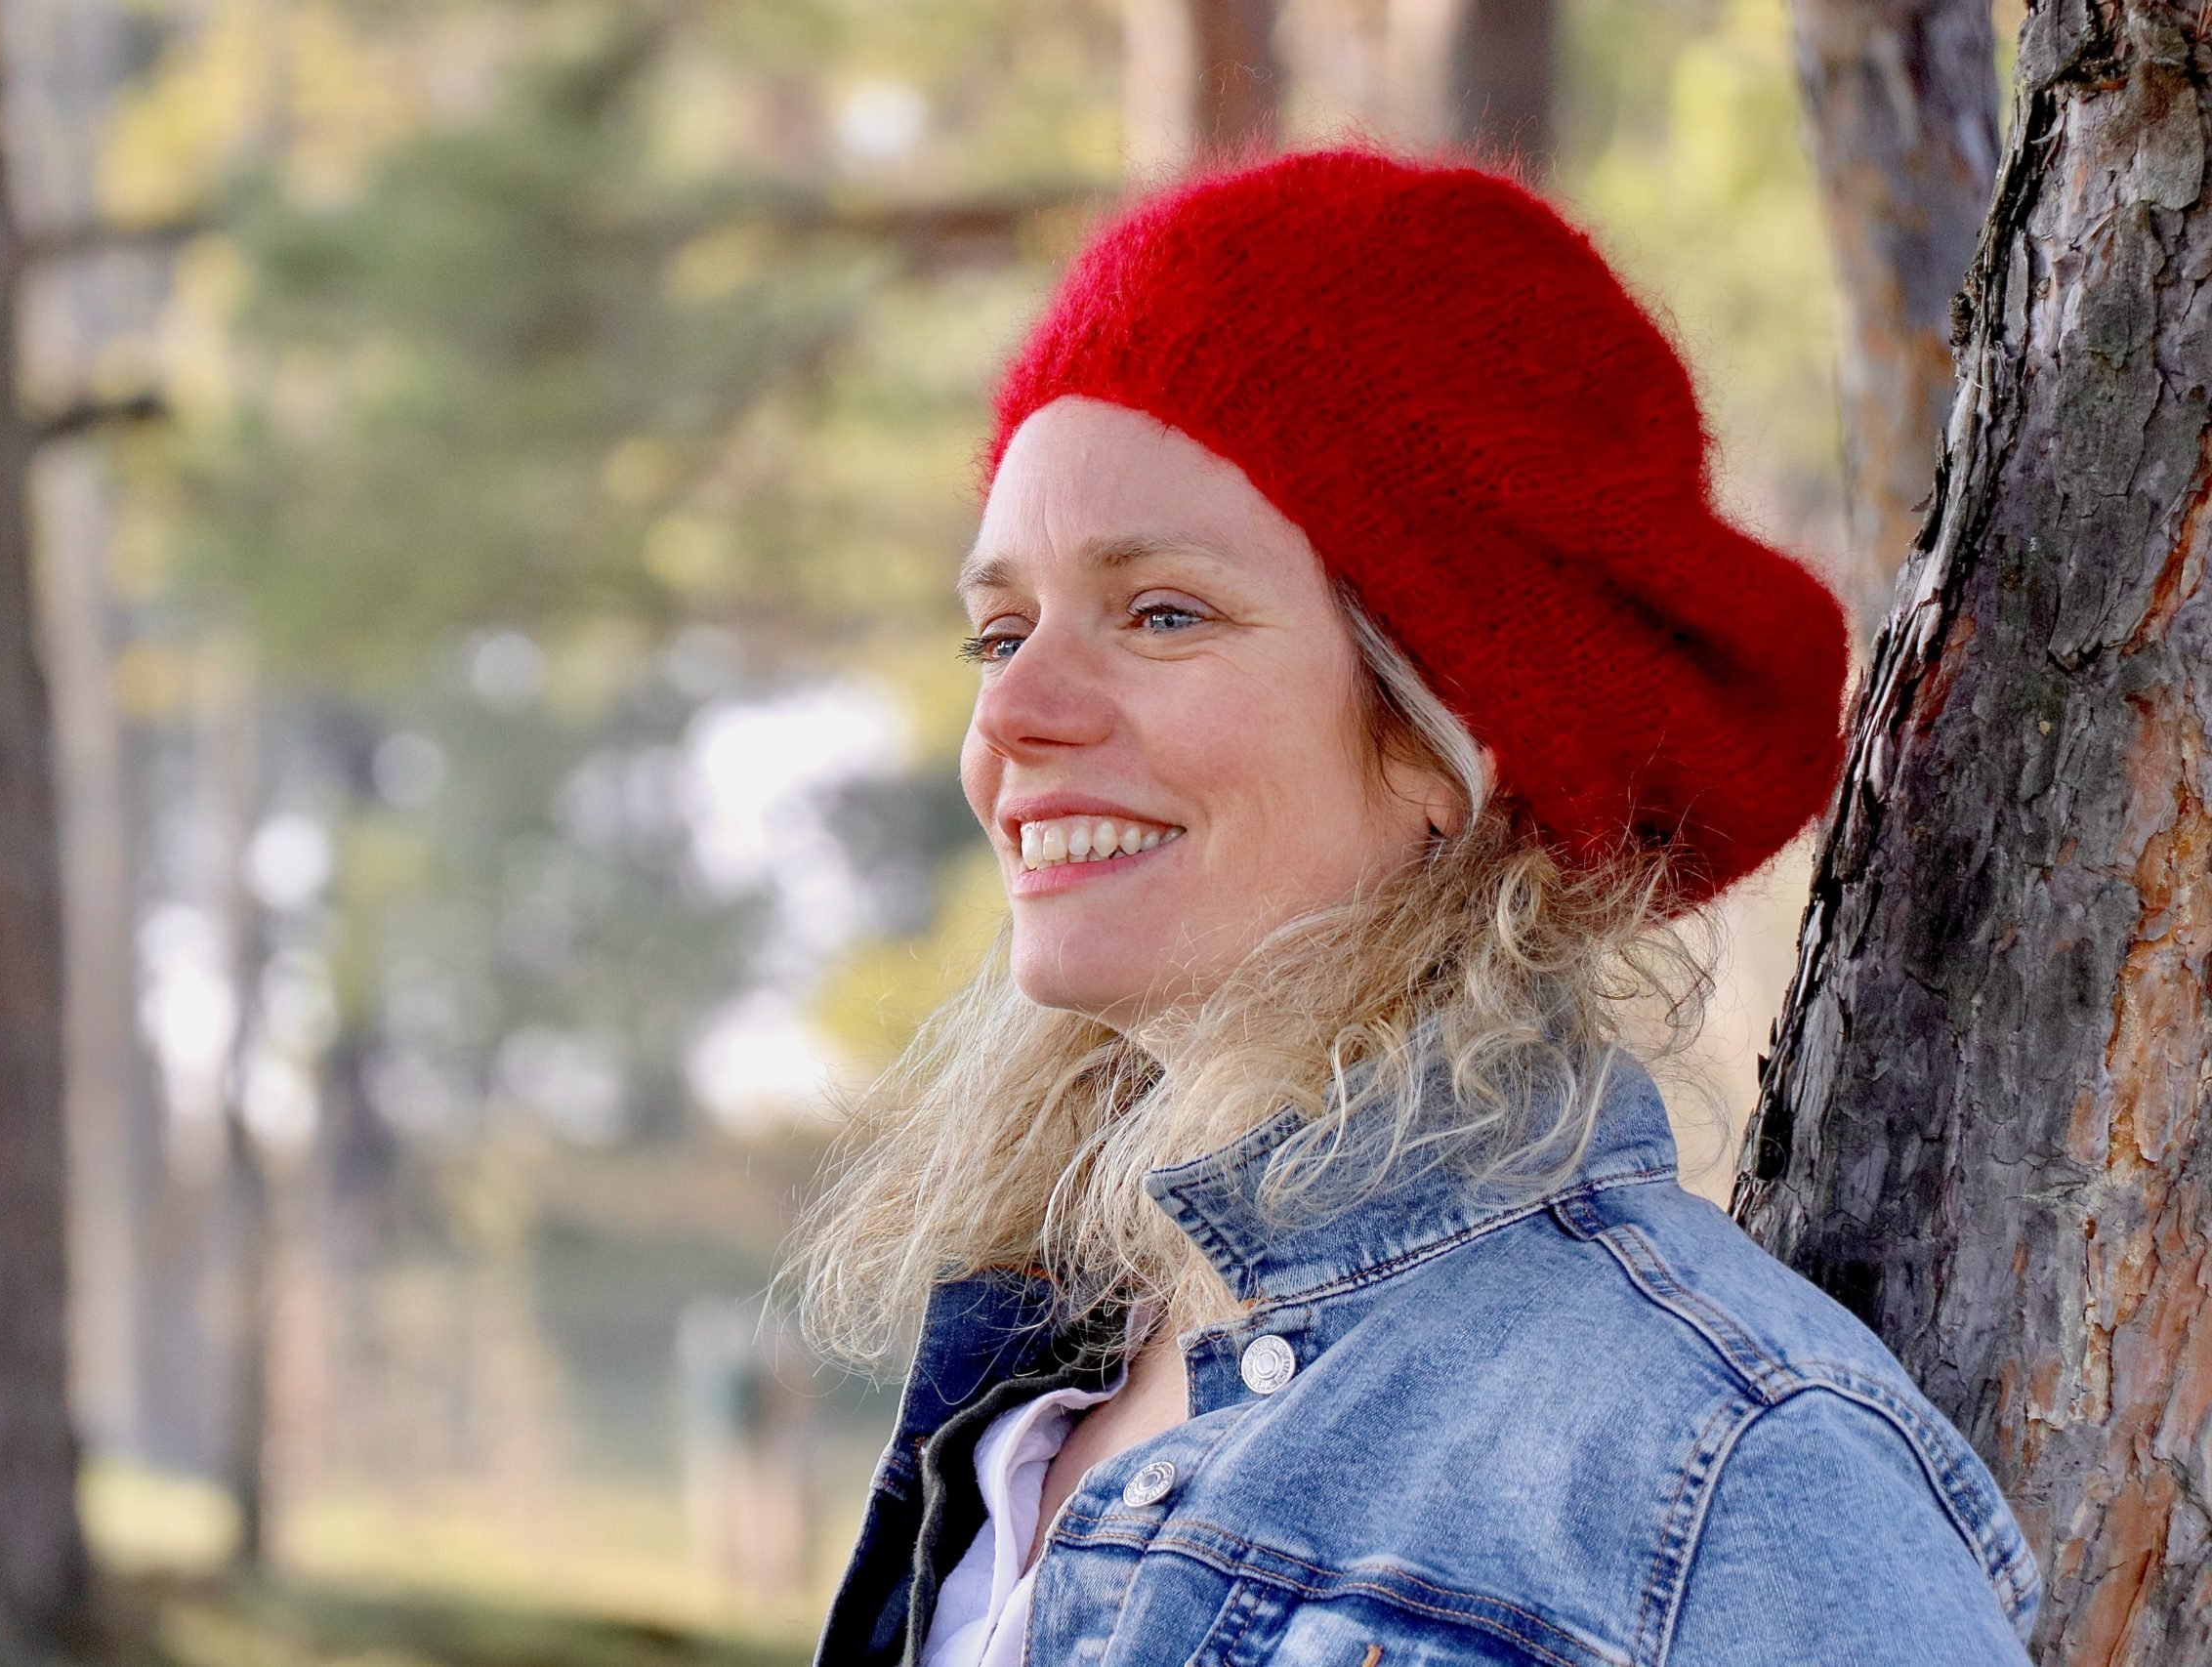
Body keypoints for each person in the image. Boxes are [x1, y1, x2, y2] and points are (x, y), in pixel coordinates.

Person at [784, 146, 2039, 1667]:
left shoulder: (1731, 1470)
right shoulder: (1027, 1392)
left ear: (1454, 736)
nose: (1014, 712)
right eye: (1000, 631)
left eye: (1162, 612)